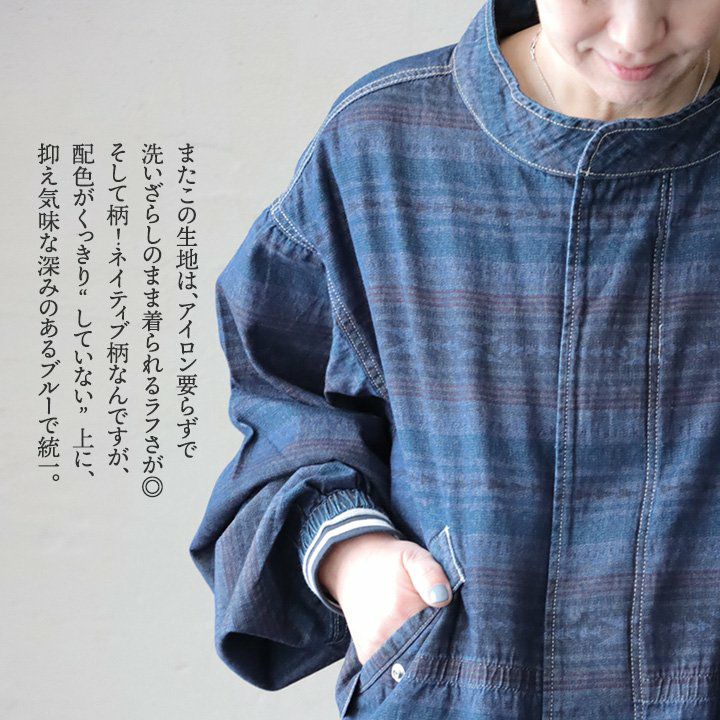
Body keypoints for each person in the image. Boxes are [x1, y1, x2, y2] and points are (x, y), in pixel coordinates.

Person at [188, 0, 720, 717]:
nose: (635, 32)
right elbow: (283, 395)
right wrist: (352, 556)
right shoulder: (384, 146)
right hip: (459, 696)